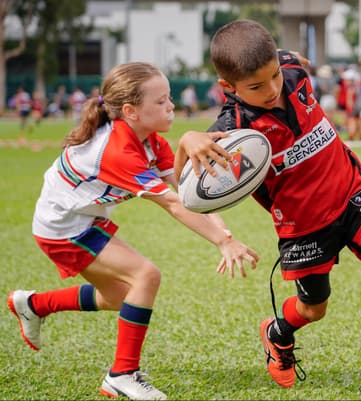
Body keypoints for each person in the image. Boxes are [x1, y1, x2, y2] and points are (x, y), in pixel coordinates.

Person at [176, 19, 361, 389]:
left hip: (352, 193)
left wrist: (292, 60)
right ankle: (279, 334)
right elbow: (185, 188)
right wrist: (187, 139)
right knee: (313, 309)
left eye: (275, 77)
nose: (271, 90)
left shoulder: (291, 70)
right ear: (227, 88)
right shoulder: (231, 130)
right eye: (256, 86)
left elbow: (292, 59)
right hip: (304, 226)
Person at [7, 62, 259, 400]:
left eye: (170, 98)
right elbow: (173, 205)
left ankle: (35, 304)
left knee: (120, 296)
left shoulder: (151, 140)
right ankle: (121, 374)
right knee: (146, 276)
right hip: (61, 228)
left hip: (80, 219)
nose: (171, 106)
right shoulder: (118, 151)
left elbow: (187, 195)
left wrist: (225, 237)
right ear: (131, 111)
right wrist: (223, 242)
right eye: (161, 101)